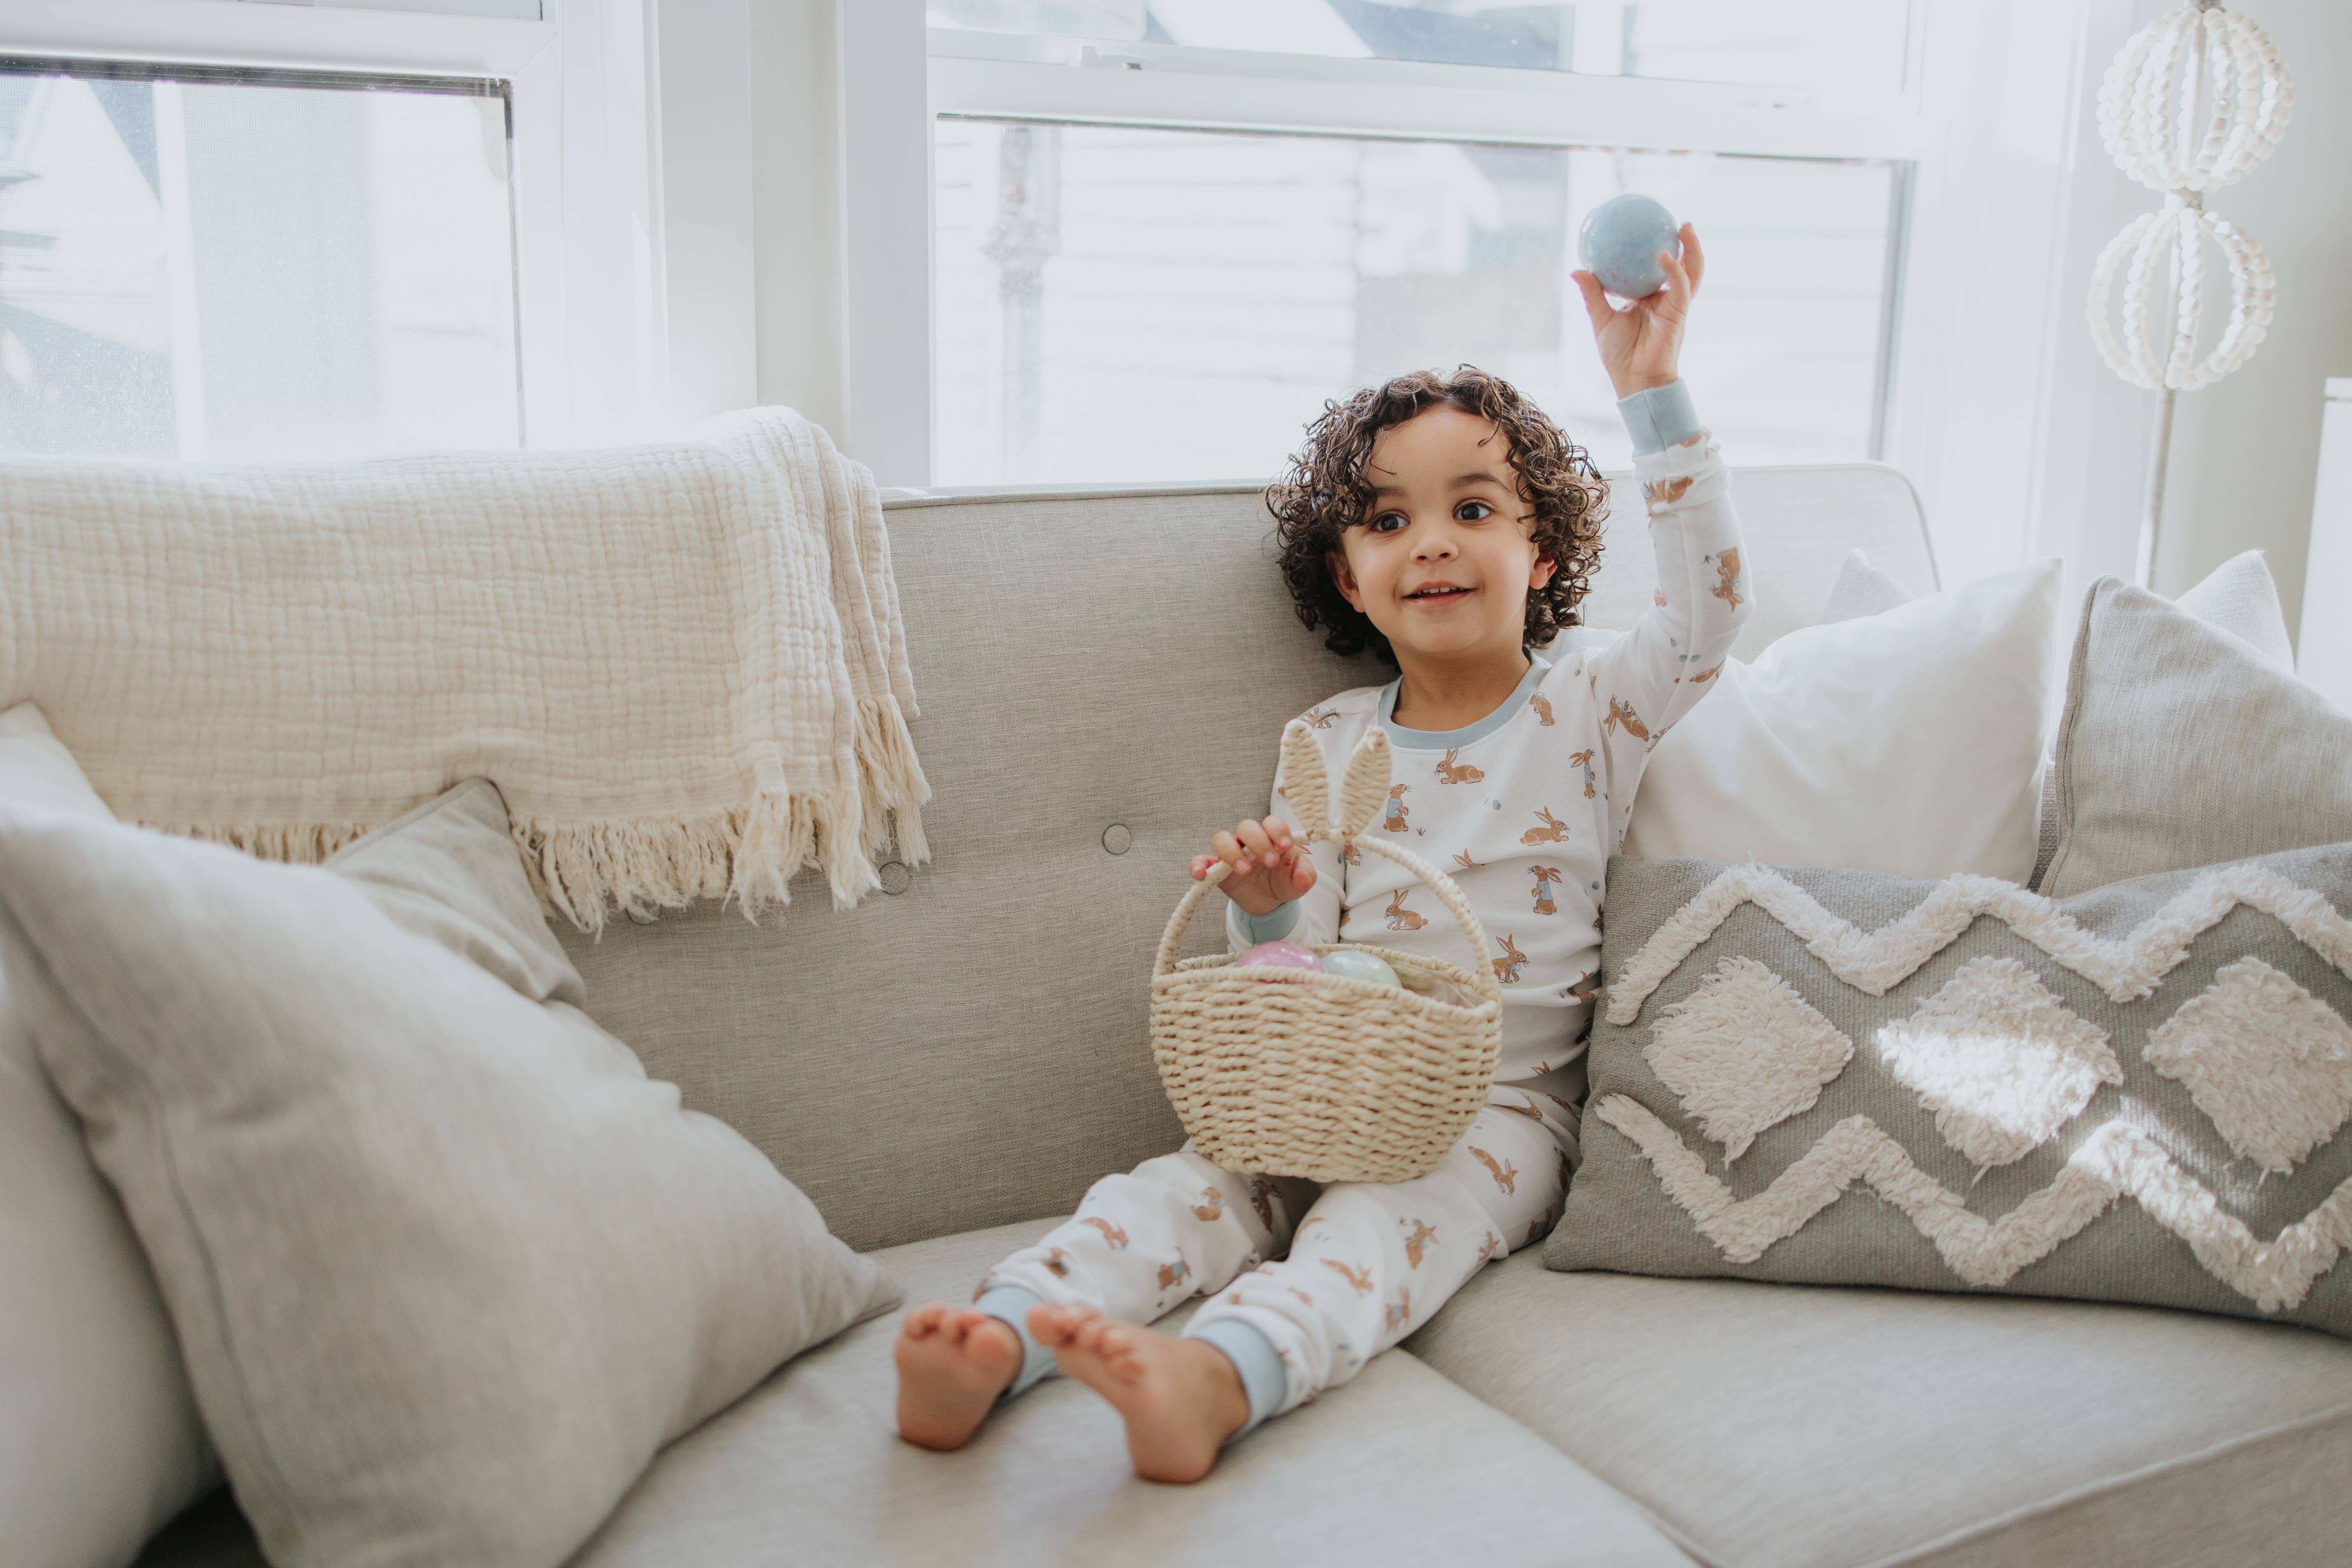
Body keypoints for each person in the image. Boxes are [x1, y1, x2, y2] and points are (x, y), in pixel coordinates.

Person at [895, 225, 1748, 1483]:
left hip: (1496, 1114)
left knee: (1379, 1233)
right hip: (1317, 1077)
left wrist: (1651, 389)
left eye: (1474, 509)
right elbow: (1295, 984)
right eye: (1390, 521)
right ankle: (998, 1335)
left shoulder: (1596, 705)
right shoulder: (1332, 739)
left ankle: (1224, 1375)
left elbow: (1711, 605)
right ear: (1350, 581)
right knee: (1176, 1191)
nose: (1436, 542)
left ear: (1545, 553)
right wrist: (1266, 913)